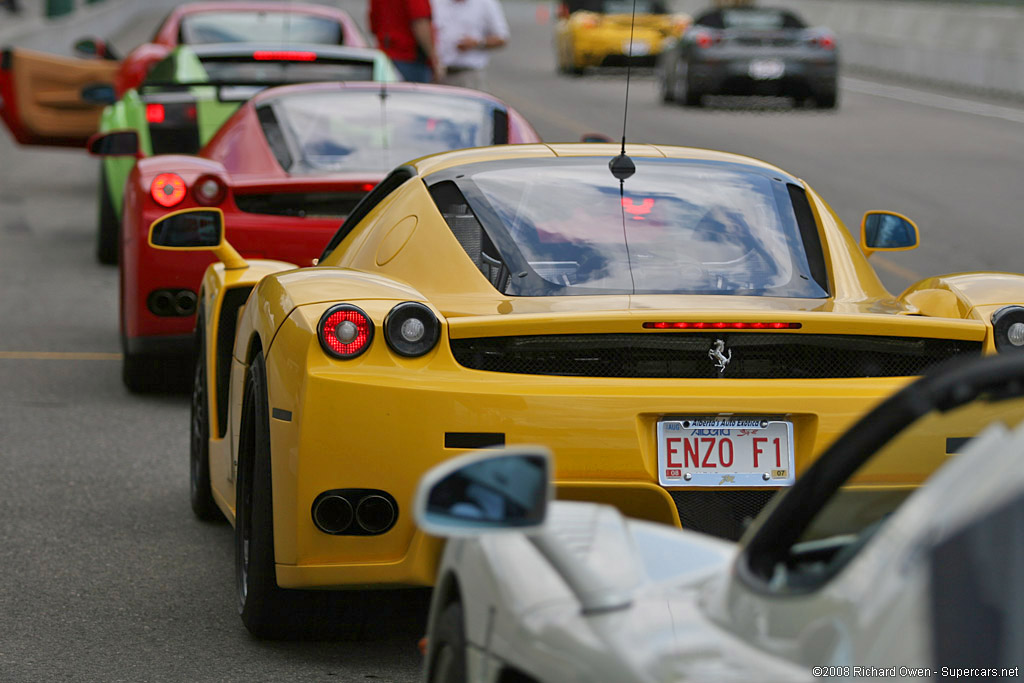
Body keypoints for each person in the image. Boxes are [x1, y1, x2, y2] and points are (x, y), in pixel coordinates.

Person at [433, 0, 509, 91]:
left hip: (468, 74)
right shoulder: (436, 3)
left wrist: (478, 43)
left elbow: (502, 38)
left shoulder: (486, 3)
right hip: (438, 73)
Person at [369, 0, 443, 83]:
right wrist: (434, 58)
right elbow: (420, 22)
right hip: (410, 59)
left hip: (384, 57)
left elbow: (373, 23)